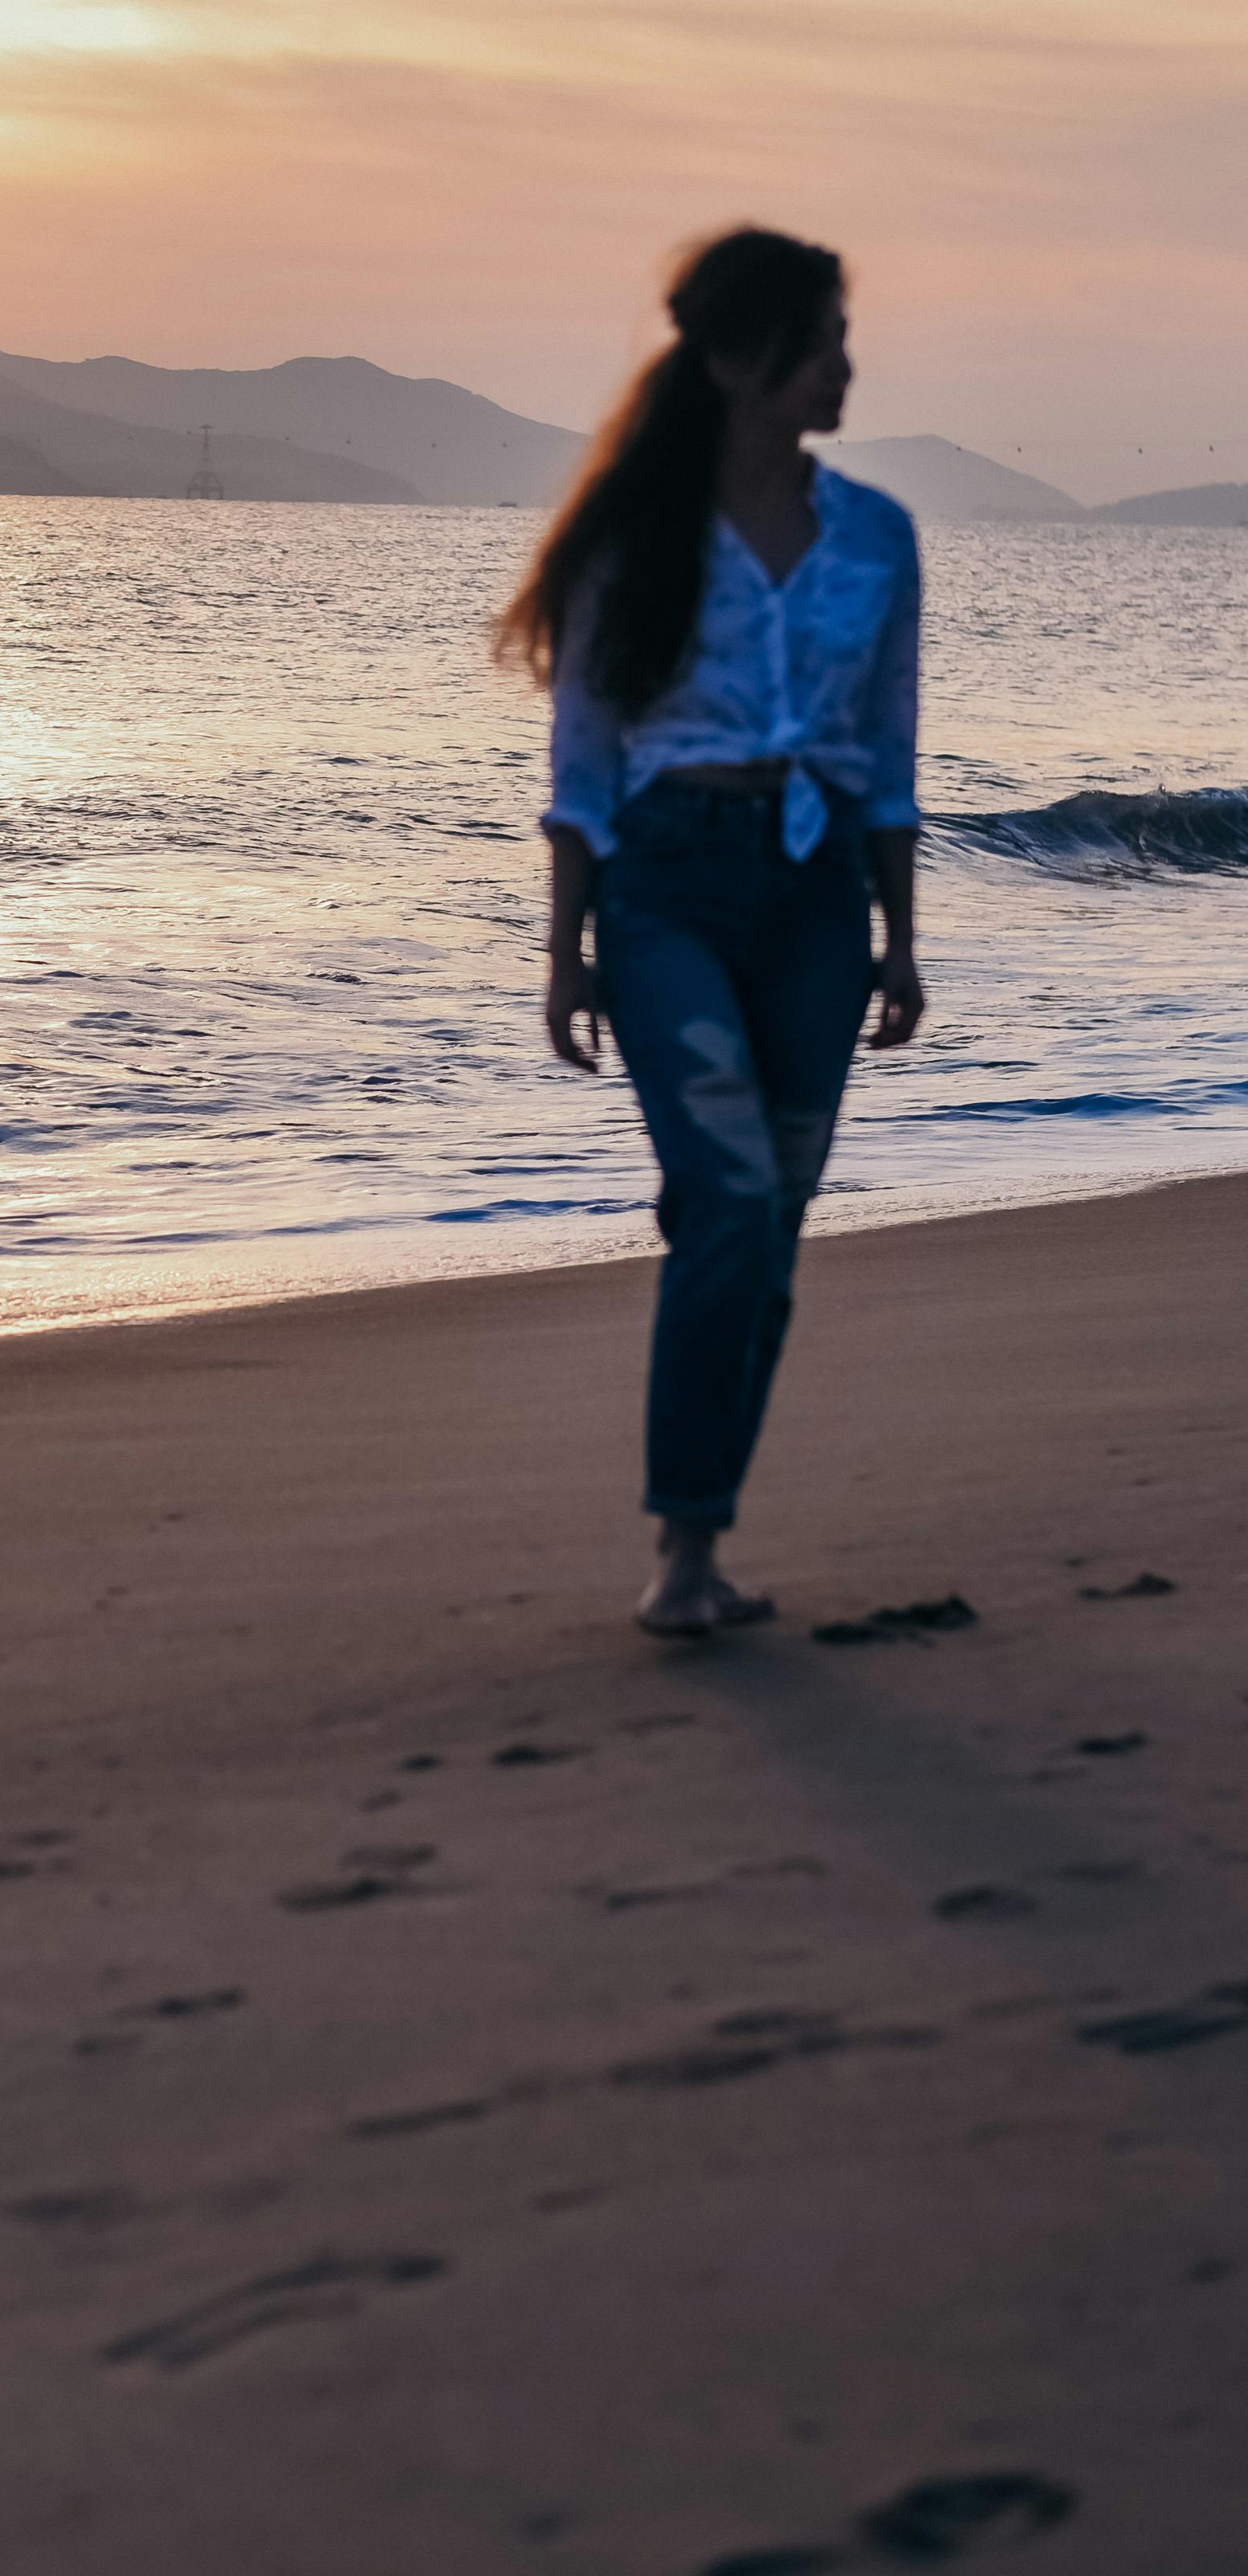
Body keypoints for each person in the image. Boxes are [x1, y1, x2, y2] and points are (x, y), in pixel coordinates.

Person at [496, 226, 924, 1636]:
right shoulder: (639, 534)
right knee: (731, 1200)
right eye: (821, 342)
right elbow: (583, 766)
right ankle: (679, 1558)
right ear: (745, 359)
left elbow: (885, 757)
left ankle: (706, 1536)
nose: (844, 367)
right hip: (667, 888)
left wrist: (898, 936)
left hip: (815, 903)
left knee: (769, 1223)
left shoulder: (876, 536)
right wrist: (567, 954)